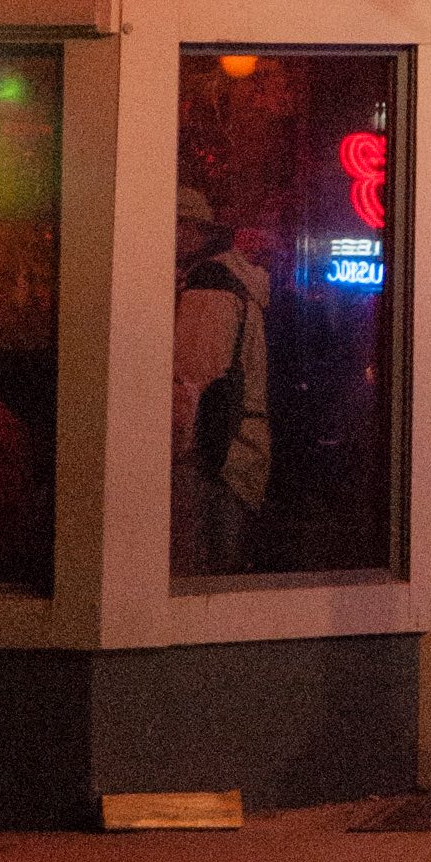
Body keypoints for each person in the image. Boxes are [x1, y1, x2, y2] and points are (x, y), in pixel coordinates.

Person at [171, 185, 271, 575]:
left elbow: (189, 381)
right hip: (237, 450)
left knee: (200, 576)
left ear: (187, 230)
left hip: (213, 457)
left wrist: (168, 450)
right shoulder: (232, 281)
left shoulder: (209, 287)